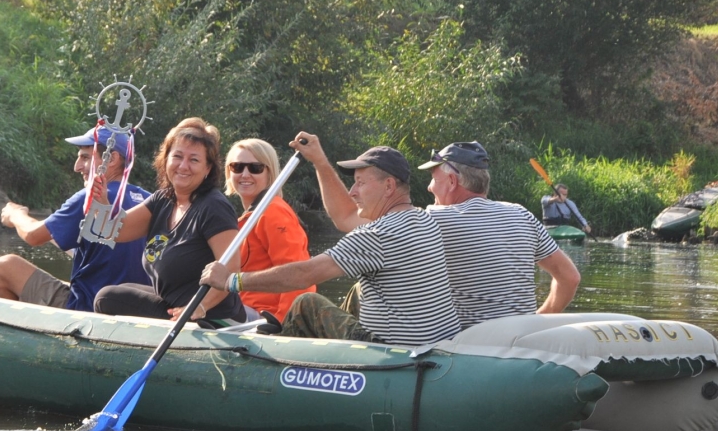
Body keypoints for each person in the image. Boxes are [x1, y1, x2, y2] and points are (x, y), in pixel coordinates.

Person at [201, 135, 460, 346]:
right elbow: (345, 216)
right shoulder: (423, 220)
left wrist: (231, 280)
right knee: (358, 290)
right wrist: (319, 162)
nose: (352, 191)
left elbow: (306, 274)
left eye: (359, 183)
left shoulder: (376, 235)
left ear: (389, 187)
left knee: (307, 303)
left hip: (395, 350)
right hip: (433, 343)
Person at [92, 117, 245, 325]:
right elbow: (114, 231)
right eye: (178, 156)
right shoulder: (163, 199)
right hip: (174, 306)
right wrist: (101, 201)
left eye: (194, 160)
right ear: (166, 160)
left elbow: (231, 271)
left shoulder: (214, 207)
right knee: (122, 289)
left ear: (208, 169)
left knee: (106, 298)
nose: (183, 166)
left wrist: (199, 307)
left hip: (211, 318)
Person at [420, 142, 580, 326]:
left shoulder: (433, 219)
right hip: (524, 338)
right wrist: (537, 320)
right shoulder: (522, 214)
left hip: (468, 346)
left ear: (451, 182)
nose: (429, 187)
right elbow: (570, 278)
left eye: (434, 179)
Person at [0, 127, 150, 311]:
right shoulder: (149, 200)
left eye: (85, 157)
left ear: (112, 159)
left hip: (87, 310)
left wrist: (15, 214)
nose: (76, 167)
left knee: (5, 267)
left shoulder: (91, 197)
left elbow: (33, 236)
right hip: (132, 311)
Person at [224, 138, 315, 323]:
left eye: (255, 168)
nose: (245, 174)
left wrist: (283, 324)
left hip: (264, 317)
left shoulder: (273, 212)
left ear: (269, 173)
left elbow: (298, 275)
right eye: (237, 167)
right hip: (242, 307)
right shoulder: (248, 216)